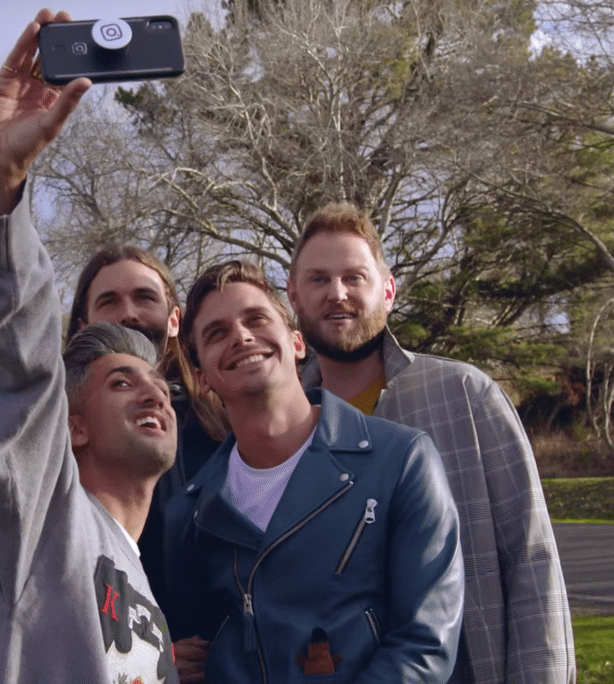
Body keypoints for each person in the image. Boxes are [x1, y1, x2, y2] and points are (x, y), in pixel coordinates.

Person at [0, 10, 179, 682]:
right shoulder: (35, 514)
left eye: (155, 382)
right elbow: (17, 362)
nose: (153, 390)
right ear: (68, 426)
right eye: (119, 382)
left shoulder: (133, 569)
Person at [287, 202, 575, 684]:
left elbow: (531, 557)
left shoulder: (465, 395)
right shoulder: (288, 425)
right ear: (294, 296)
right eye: (318, 280)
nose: (337, 294)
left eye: (354, 277)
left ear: (389, 290)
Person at [164, 259, 464, 683]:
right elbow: (190, 651)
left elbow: (425, 644)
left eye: (257, 319)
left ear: (298, 342)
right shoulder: (189, 513)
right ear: (203, 376)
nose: (242, 336)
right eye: (217, 333)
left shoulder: (402, 460)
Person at [66, 246, 226, 609]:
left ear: (174, 320)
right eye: (109, 302)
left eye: (144, 298)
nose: (128, 315)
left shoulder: (225, 431)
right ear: (83, 326)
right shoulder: (56, 441)